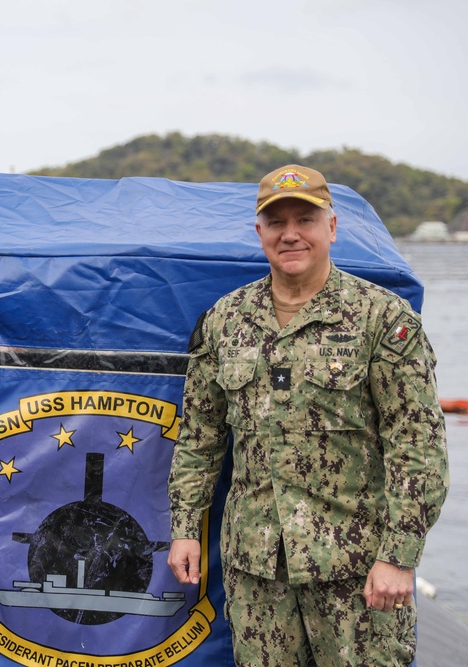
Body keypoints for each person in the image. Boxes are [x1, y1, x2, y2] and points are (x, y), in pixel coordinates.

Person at [167, 164, 449, 666]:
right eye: (277, 222)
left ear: (332, 228)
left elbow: (419, 449)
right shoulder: (225, 321)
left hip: (357, 570)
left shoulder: (380, 319)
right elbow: (199, 436)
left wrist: (397, 558)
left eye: (306, 219)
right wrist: (186, 527)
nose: (291, 233)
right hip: (257, 572)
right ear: (260, 233)